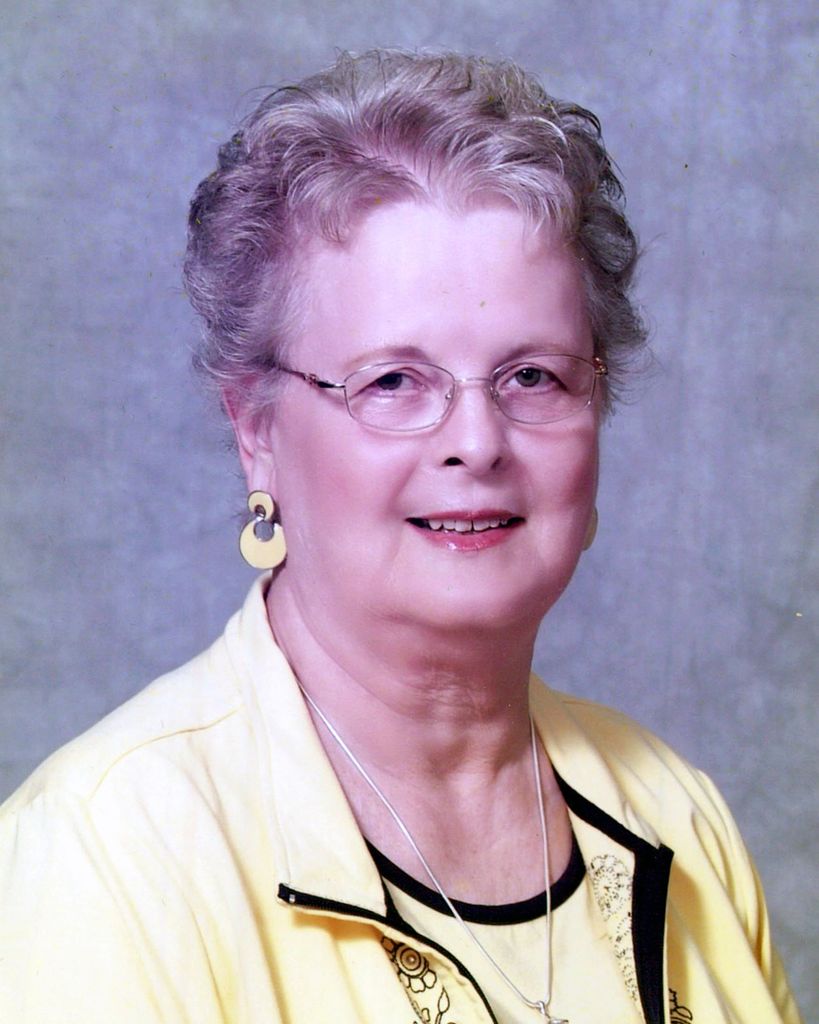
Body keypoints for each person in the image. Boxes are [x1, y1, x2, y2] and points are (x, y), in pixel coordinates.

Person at [0, 49, 802, 1024]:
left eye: (533, 376)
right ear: (256, 432)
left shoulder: (680, 816)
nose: (477, 442)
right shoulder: (104, 860)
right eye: (392, 382)